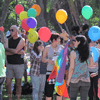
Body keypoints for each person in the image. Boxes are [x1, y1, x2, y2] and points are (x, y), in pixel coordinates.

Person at [67, 35, 93, 100]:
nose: (74, 42)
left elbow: (71, 68)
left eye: (75, 41)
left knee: (73, 98)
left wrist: (68, 79)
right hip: (86, 78)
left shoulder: (73, 53)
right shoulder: (89, 53)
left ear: (79, 42)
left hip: (75, 78)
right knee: (84, 98)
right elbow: (91, 64)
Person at [5, 25, 25, 100]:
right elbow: (5, 53)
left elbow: (14, 51)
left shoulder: (21, 39)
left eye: (12, 30)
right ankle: (10, 98)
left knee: (18, 84)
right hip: (10, 64)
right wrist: (16, 52)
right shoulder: (8, 40)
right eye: (10, 30)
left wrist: (8, 49)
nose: (10, 31)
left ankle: (18, 98)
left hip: (19, 64)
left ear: (17, 31)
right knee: (7, 83)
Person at [42, 33, 64, 100]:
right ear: (54, 40)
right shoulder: (47, 48)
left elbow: (65, 59)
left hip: (59, 73)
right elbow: (43, 59)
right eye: (58, 39)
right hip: (50, 73)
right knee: (49, 94)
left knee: (59, 94)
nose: (59, 40)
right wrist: (48, 60)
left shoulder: (62, 47)